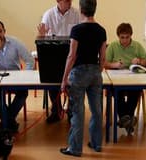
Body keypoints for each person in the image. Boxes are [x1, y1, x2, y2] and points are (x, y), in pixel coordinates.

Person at [60, 0, 106, 156]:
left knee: (78, 112)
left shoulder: (77, 30)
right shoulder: (101, 30)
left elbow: (71, 56)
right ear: (95, 9)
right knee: (97, 110)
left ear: (81, 9)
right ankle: (96, 144)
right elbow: (103, 58)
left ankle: (75, 148)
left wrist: (64, 79)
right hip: (95, 73)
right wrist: (97, 71)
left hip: (79, 73)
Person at [0, 20, 34, 133]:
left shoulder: (15, 42)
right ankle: (10, 123)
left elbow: (30, 60)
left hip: (15, 78)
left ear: (4, 31)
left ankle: (6, 123)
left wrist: (26, 77)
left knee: (23, 93)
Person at [37, 0, 80, 123]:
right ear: (58, 1)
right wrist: (41, 34)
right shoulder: (48, 14)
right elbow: (41, 38)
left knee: (73, 83)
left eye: (70, 0)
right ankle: (56, 111)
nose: (69, 2)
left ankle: (71, 112)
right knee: (52, 83)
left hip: (72, 56)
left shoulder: (77, 14)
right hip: (53, 57)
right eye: (66, 0)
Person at [104, 23, 146, 134]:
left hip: (133, 78)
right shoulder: (113, 46)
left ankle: (124, 119)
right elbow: (104, 63)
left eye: (127, 37)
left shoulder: (137, 46)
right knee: (116, 92)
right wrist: (114, 65)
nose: (124, 40)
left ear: (131, 36)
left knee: (136, 90)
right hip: (116, 79)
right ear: (118, 36)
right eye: (122, 37)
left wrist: (139, 61)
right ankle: (128, 119)